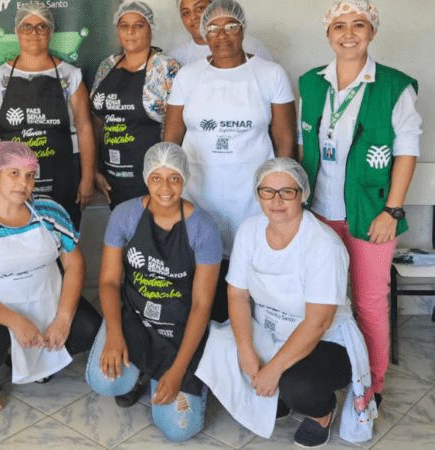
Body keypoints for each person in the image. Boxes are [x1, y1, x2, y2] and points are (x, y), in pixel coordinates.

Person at [196, 158, 376, 448]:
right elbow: (237, 294)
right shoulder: (250, 230)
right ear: (258, 196)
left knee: (298, 386)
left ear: (303, 195)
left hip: (324, 341)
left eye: (286, 192)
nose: (276, 200)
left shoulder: (322, 244)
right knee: (215, 346)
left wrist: (273, 369)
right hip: (268, 328)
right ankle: (275, 394)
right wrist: (245, 350)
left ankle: (320, 413)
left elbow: (319, 322)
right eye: (268, 191)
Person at [298, 0, 421, 406]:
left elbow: (406, 151)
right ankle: (321, 371)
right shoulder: (311, 83)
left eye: (358, 25)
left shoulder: (393, 85)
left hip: (372, 214)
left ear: (372, 32)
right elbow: (304, 147)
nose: (348, 33)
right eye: (339, 26)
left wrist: (393, 211)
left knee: (369, 303)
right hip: (318, 213)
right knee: (319, 298)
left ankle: (373, 384)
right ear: (328, 34)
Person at [0, 141, 102, 413]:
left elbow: (75, 264)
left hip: (42, 297)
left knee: (87, 327)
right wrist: (15, 321)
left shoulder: (49, 211)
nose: (22, 183)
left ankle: (28, 358)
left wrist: (63, 317)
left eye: (29, 175)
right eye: (13, 173)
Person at [163, 0, 296, 323]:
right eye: (213, 28)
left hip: (253, 198)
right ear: (203, 33)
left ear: (243, 29)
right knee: (203, 275)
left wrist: (283, 195)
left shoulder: (270, 73)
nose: (222, 35)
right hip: (199, 195)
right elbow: (171, 140)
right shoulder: (189, 77)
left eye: (230, 27)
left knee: (251, 274)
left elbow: (285, 140)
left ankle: (250, 343)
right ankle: (207, 346)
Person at [86, 143, 221, 441]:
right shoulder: (125, 215)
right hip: (136, 316)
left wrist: (177, 371)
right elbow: (108, 283)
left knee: (179, 429)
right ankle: (140, 374)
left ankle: (177, 377)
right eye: (156, 178)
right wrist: (114, 333)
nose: (165, 187)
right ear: (146, 178)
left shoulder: (204, 228)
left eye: (173, 178)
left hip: (181, 326)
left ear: (184, 179)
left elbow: (201, 304)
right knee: (106, 381)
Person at [0, 1, 95, 231]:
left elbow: (84, 128)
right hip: (11, 179)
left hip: (63, 172)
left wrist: (87, 178)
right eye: (26, 26)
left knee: (62, 238)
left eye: (41, 26)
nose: (34, 33)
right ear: (16, 31)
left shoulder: (70, 75)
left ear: (50, 31)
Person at [90, 2, 181, 209]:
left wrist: (164, 177)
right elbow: (97, 121)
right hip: (111, 177)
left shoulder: (165, 68)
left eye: (138, 26)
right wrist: (95, 169)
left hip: (152, 179)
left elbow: (176, 129)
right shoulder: (106, 66)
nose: (130, 32)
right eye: (124, 26)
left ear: (151, 29)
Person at [166, 0, 272, 66]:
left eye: (200, 8)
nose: (193, 17)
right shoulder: (176, 56)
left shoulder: (251, 46)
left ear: (214, 7)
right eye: (186, 13)